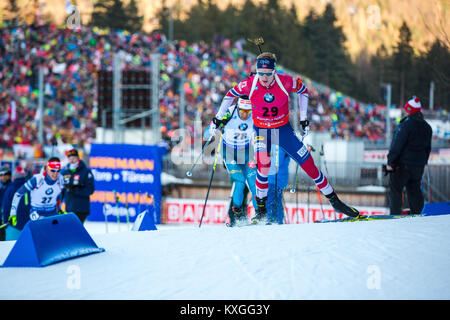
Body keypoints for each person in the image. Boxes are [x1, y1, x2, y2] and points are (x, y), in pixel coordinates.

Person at [210, 51, 363, 224]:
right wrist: (218, 117)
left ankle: (335, 201)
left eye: (268, 74)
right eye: (260, 73)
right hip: (262, 132)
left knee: (309, 165)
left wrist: (303, 118)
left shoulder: (285, 81)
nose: (264, 77)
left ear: (274, 71)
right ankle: (261, 211)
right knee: (263, 166)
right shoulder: (250, 84)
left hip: (283, 130)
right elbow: (230, 95)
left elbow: (304, 91)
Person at [209, 97, 258, 227]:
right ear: (238, 108)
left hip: (246, 152)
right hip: (229, 152)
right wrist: (215, 128)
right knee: (240, 181)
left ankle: (260, 215)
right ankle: (237, 214)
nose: (245, 115)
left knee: (254, 183)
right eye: (242, 111)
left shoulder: (254, 113)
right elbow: (215, 124)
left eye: (248, 112)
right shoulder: (230, 111)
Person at [385, 96, 432, 215]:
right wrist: (423, 161)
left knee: (395, 189)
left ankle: (395, 216)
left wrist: (390, 162)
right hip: (418, 165)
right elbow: (428, 148)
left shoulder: (405, 125)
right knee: (414, 190)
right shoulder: (427, 127)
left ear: (409, 110)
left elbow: (397, 145)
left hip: (403, 165)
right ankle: (418, 215)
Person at [8, 157, 64, 228]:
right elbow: (18, 194)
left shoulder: (61, 179)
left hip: (51, 212)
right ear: (47, 169)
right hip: (37, 212)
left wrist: (59, 209)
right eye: (52, 170)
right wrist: (13, 213)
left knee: (54, 234)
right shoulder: (37, 180)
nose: (55, 174)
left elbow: (58, 194)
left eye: (58, 171)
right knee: (42, 233)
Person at [61, 149, 95, 223]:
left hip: (81, 208)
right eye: (69, 158)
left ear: (78, 158)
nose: (71, 160)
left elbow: (90, 190)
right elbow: (62, 191)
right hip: (69, 208)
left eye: (73, 158)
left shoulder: (86, 172)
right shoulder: (65, 172)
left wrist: (75, 190)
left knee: (77, 230)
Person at [2, 166, 30, 233]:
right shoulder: (30, 187)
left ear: (13, 177)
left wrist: (5, 222)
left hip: (13, 225)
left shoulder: (10, 188)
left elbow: (6, 207)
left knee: (12, 243)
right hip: (28, 224)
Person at [267, 146, 290, 224]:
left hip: (275, 178)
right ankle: (276, 222)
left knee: (271, 202)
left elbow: (276, 162)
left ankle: (274, 222)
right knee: (275, 202)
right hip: (274, 178)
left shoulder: (279, 145)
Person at [0, 166, 12, 240]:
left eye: (5, 175)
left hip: (8, 219)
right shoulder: (2, 187)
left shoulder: (12, 187)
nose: (3, 177)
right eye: (1, 175)